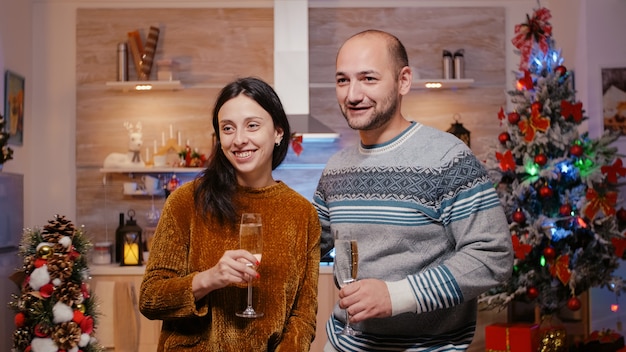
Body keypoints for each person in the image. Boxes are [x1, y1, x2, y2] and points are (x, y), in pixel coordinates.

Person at [313, 29, 513, 351]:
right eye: (342, 80)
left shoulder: (448, 158)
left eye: (368, 78)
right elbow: (309, 247)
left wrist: (397, 296)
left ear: (403, 81)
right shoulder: (336, 169)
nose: (352, 94)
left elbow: (494, 255)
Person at [139, 77, 321, 351]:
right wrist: (210, 278)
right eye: (228, 128)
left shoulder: (302, 213)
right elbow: (150, 298)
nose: (239, 140)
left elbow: (302, 317)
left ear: (278, 132)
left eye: (252, 125)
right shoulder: (187, 201)